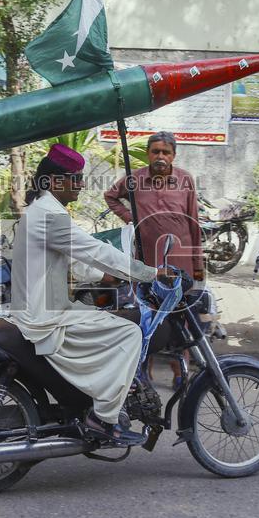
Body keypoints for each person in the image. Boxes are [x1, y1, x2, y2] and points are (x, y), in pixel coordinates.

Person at [8, 144, 170, 446]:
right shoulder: (48, 215)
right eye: (76, 178)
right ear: (56, 181)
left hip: (48, 306)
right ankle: (102, 419)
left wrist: (103, 275)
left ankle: (96, 402)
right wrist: (150, 272)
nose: (82, 185)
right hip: (46, 315)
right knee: (129, 333)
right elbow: (94, 251)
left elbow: (75, 261)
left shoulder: (45, 210)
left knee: (108, 321)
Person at [104, 131, 204, 387]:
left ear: (174, 155)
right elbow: (110, 196)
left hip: (179, 259)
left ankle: (179, 370)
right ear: (148, 153)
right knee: (146, 313)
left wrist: (198, 265)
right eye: (155, 151)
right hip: (147, 260)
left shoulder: (185, 180)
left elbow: (194, 222)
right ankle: (143, 371)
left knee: (180, 315)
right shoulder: (134, 179)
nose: (160, 156)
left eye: (166, 152)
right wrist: (130, 217)